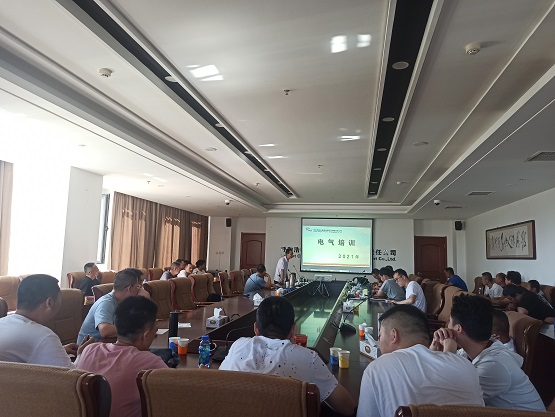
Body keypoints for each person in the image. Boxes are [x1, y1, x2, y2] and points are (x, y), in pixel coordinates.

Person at [220, 296, 355, 416]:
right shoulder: (308, 358)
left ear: (256, 329)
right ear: (293, 330)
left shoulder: (238, 346)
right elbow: (348, 408)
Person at [357, 305, 484, 417]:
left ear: (394, 335)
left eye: (380, 336)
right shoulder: (467, 366)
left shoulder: (377, 368)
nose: (379, 341)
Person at [432, 294, 544, 410]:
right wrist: (435, 349)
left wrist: (448, 354)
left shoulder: (493, 365)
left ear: (458, 328)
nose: (447, 326)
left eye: (449, 321)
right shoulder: (473, 351)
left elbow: (446, 393)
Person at [76, 296, 167, 417]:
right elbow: (182, 391)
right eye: (155, 328)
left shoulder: (88, 350)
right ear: (145, 335)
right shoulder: (150, 362)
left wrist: (79, 355)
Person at [0, 274, 94, 367]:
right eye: (59, 298)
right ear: (50, 303)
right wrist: (82, 354)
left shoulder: (2, 322)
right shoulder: (44, 337)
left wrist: (56, 351)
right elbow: (72, 375)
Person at [77, 268, 143, 343]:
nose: (140, 290)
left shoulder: (123, 302)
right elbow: (105, 330)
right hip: (89, 348)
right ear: (129, 289)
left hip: (107, 345)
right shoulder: (106, 303)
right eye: (138, 286)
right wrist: (135, 328)